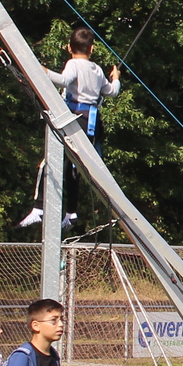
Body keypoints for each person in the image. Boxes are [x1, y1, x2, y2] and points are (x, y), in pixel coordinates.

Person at [21, 26, 122, 228]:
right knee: (74, 168)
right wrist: (116, 77)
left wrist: (41, 70)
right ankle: (72, 212)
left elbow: (63, 80)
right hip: (91, 123)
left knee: (48, 163)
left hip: (73, 119)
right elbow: (111, 92)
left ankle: (39, 207)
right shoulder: (97, 70)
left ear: (69, 47)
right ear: (91, 49)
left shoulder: (73, 64)